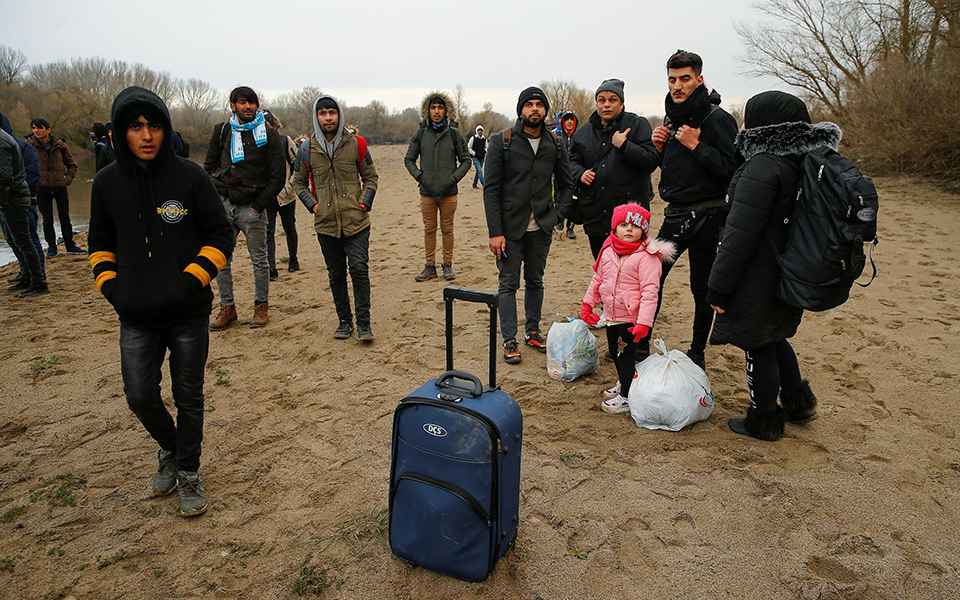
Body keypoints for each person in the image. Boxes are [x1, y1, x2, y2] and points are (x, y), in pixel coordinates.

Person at [87, 86, 234, 515]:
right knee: (139, 395)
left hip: (188, 312)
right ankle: (171, 449)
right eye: (135, 127)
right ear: (120, 132)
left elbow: (220, 235)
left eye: (153, 125)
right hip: (136, 316)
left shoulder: (189, 176)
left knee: (189, 396)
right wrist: (113, 288)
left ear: (165, 129)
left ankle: (188, 471)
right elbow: (98, 244)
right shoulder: (105, 183)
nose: (146, 135)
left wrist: (190, 282)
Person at [707, 90, 823, 441]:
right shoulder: (797, 160)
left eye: (750, 116)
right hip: (788, 267)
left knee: (758, 343)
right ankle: (798, 404)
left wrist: (719, 285)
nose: (743, 124)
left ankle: (764, 418)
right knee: (775, 336)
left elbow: (740, 235)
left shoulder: (762, 166)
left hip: (759, 272)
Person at [648, 50, 740, 370]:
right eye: (672, 79)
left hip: (710, 217)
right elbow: (675, 172)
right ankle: (640, 341)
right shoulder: (671, 118)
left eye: (685, 78)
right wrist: (660, 150)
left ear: (699, 79)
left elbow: (734, 170)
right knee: (650, 276)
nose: (678, 85)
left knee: (701, 288)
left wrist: (697, 146)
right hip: (674, 216)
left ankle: (697, 351)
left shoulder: (718, 119)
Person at [483, 86, 574, 364]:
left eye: (539, 105)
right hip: (509, 230)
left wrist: (557, 214)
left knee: (535, 281)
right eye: (529, 105)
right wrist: (495, 232)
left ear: (545, 110)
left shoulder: (556, 143)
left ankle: (533, 331)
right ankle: (509, 339)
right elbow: (491, 190)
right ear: (520, 110)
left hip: (542, 228)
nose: (534, 109)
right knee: (508, 284)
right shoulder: (502, 141)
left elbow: (567, 183)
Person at [291, 95, 379, 341]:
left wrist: (364, 203)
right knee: (336, 274)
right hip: (326, 224)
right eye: (322, 113)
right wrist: (313, 206)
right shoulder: (306, 149)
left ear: (339, 115)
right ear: (316, 117)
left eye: (332, 112)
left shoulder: (357, 144)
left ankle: (364, 324)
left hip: (357, 221)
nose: (328, 117)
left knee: (359, 269)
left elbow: (371, 177)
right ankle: (344, 322)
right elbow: (298, 183)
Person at [204, 86, 286, 329]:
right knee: (220, 259)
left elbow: (278, 176)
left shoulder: (269, 135)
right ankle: (227, 308)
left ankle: (261, 306)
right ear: (233, 106)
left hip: (253, 207)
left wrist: (258, 207)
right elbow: (207, 168)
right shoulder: (222, 131)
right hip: (224, 204)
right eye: (242, 102)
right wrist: (217, 199)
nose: (248, 107)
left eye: (251, 102)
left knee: (259, 260)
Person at [580, 204, 675, 413]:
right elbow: (598, 279)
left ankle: (626, 396)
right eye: (624, 225)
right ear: (615, 228)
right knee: (614, 351)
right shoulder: (608, 250)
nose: (629, 229)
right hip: (612, 313)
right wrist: (588, 304)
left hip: (631, 318)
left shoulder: (647, 257)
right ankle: (625, 383)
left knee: (625, 355)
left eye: (635, 226)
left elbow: (651, 293)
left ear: (644, 230)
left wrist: (644, 323)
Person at [568, 79, 659, 259]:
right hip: (595, 215)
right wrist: (580, 173)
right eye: (602, 100)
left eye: (612, 100)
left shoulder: (638, 125)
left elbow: (651, 160)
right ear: (596, 103)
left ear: (622, 103)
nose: (606, 104)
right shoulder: (583, 133)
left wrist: (624, 145)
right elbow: (570, 161)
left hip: (630, 219)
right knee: (604, 270)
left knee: (631, 273)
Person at [404, 91, 471, 282]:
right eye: (433, 107)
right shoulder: (421, 134)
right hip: (427, 192)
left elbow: (466, 160)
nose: (436, 111)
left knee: (447, 229)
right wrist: (420, 176)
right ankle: (429, 266)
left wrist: (453, 178)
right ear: (427, 110)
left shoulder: (454, 134)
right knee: (429, 229)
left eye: (440, 107)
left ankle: (447, 264)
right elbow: (409, 159)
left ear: (446, 110)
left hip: (449, 193)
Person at [1, 121, 48, 297]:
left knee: (25, 241)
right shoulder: (7, 141)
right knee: (16, 240)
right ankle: (27, 276)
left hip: (15, 199)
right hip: (12, 197)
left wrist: (2, 200)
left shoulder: (4, 143)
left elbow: (5, 176)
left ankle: (38, 281)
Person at [27, 118, 84, 257]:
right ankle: (52, 248)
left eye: (39, 128)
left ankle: (70, 245)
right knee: (47, 220)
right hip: (42, 189)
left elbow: (72, 165)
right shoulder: (30, 147)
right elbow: (25, 167)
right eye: (34, 128)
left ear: (48, 129)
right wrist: (35, 183)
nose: (36, 131)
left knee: (65, 217)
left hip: (60, 188)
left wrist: (66, 180)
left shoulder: (60, 146)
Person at [260, 110, 299, 278]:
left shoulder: (285, 141)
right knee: (268, 232)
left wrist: (290, 187)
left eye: (266, 123)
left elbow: (298, 166)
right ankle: (271, 266)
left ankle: (293, 260)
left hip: (286, 195)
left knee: (289, 228)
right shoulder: (256, 144)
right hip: (267, 196)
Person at [554, 111, 579, 239]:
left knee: (574, 200)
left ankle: (570, 227)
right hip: (560, 173)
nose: (569, 122)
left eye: (571, 119)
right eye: (567, 119)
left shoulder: (579, 136)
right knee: (559, 196)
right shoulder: (557, 136)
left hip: (575, 173)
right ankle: (560, 220)